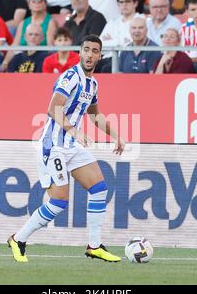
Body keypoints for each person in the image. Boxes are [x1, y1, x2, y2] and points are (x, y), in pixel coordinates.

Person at [7, 34, 125, 263]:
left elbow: (94, 115)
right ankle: (18, 239)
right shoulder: (70, 77)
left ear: (100, 56)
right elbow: (53, 109)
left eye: (95, 51)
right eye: (86, 50)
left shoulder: (92, 83)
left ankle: (94, 246)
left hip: (71, 146)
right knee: (58, 203)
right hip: (54, 147)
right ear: (79, 52)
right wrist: (75, 131)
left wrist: (116, 136)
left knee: (99, 188)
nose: (90, 54)